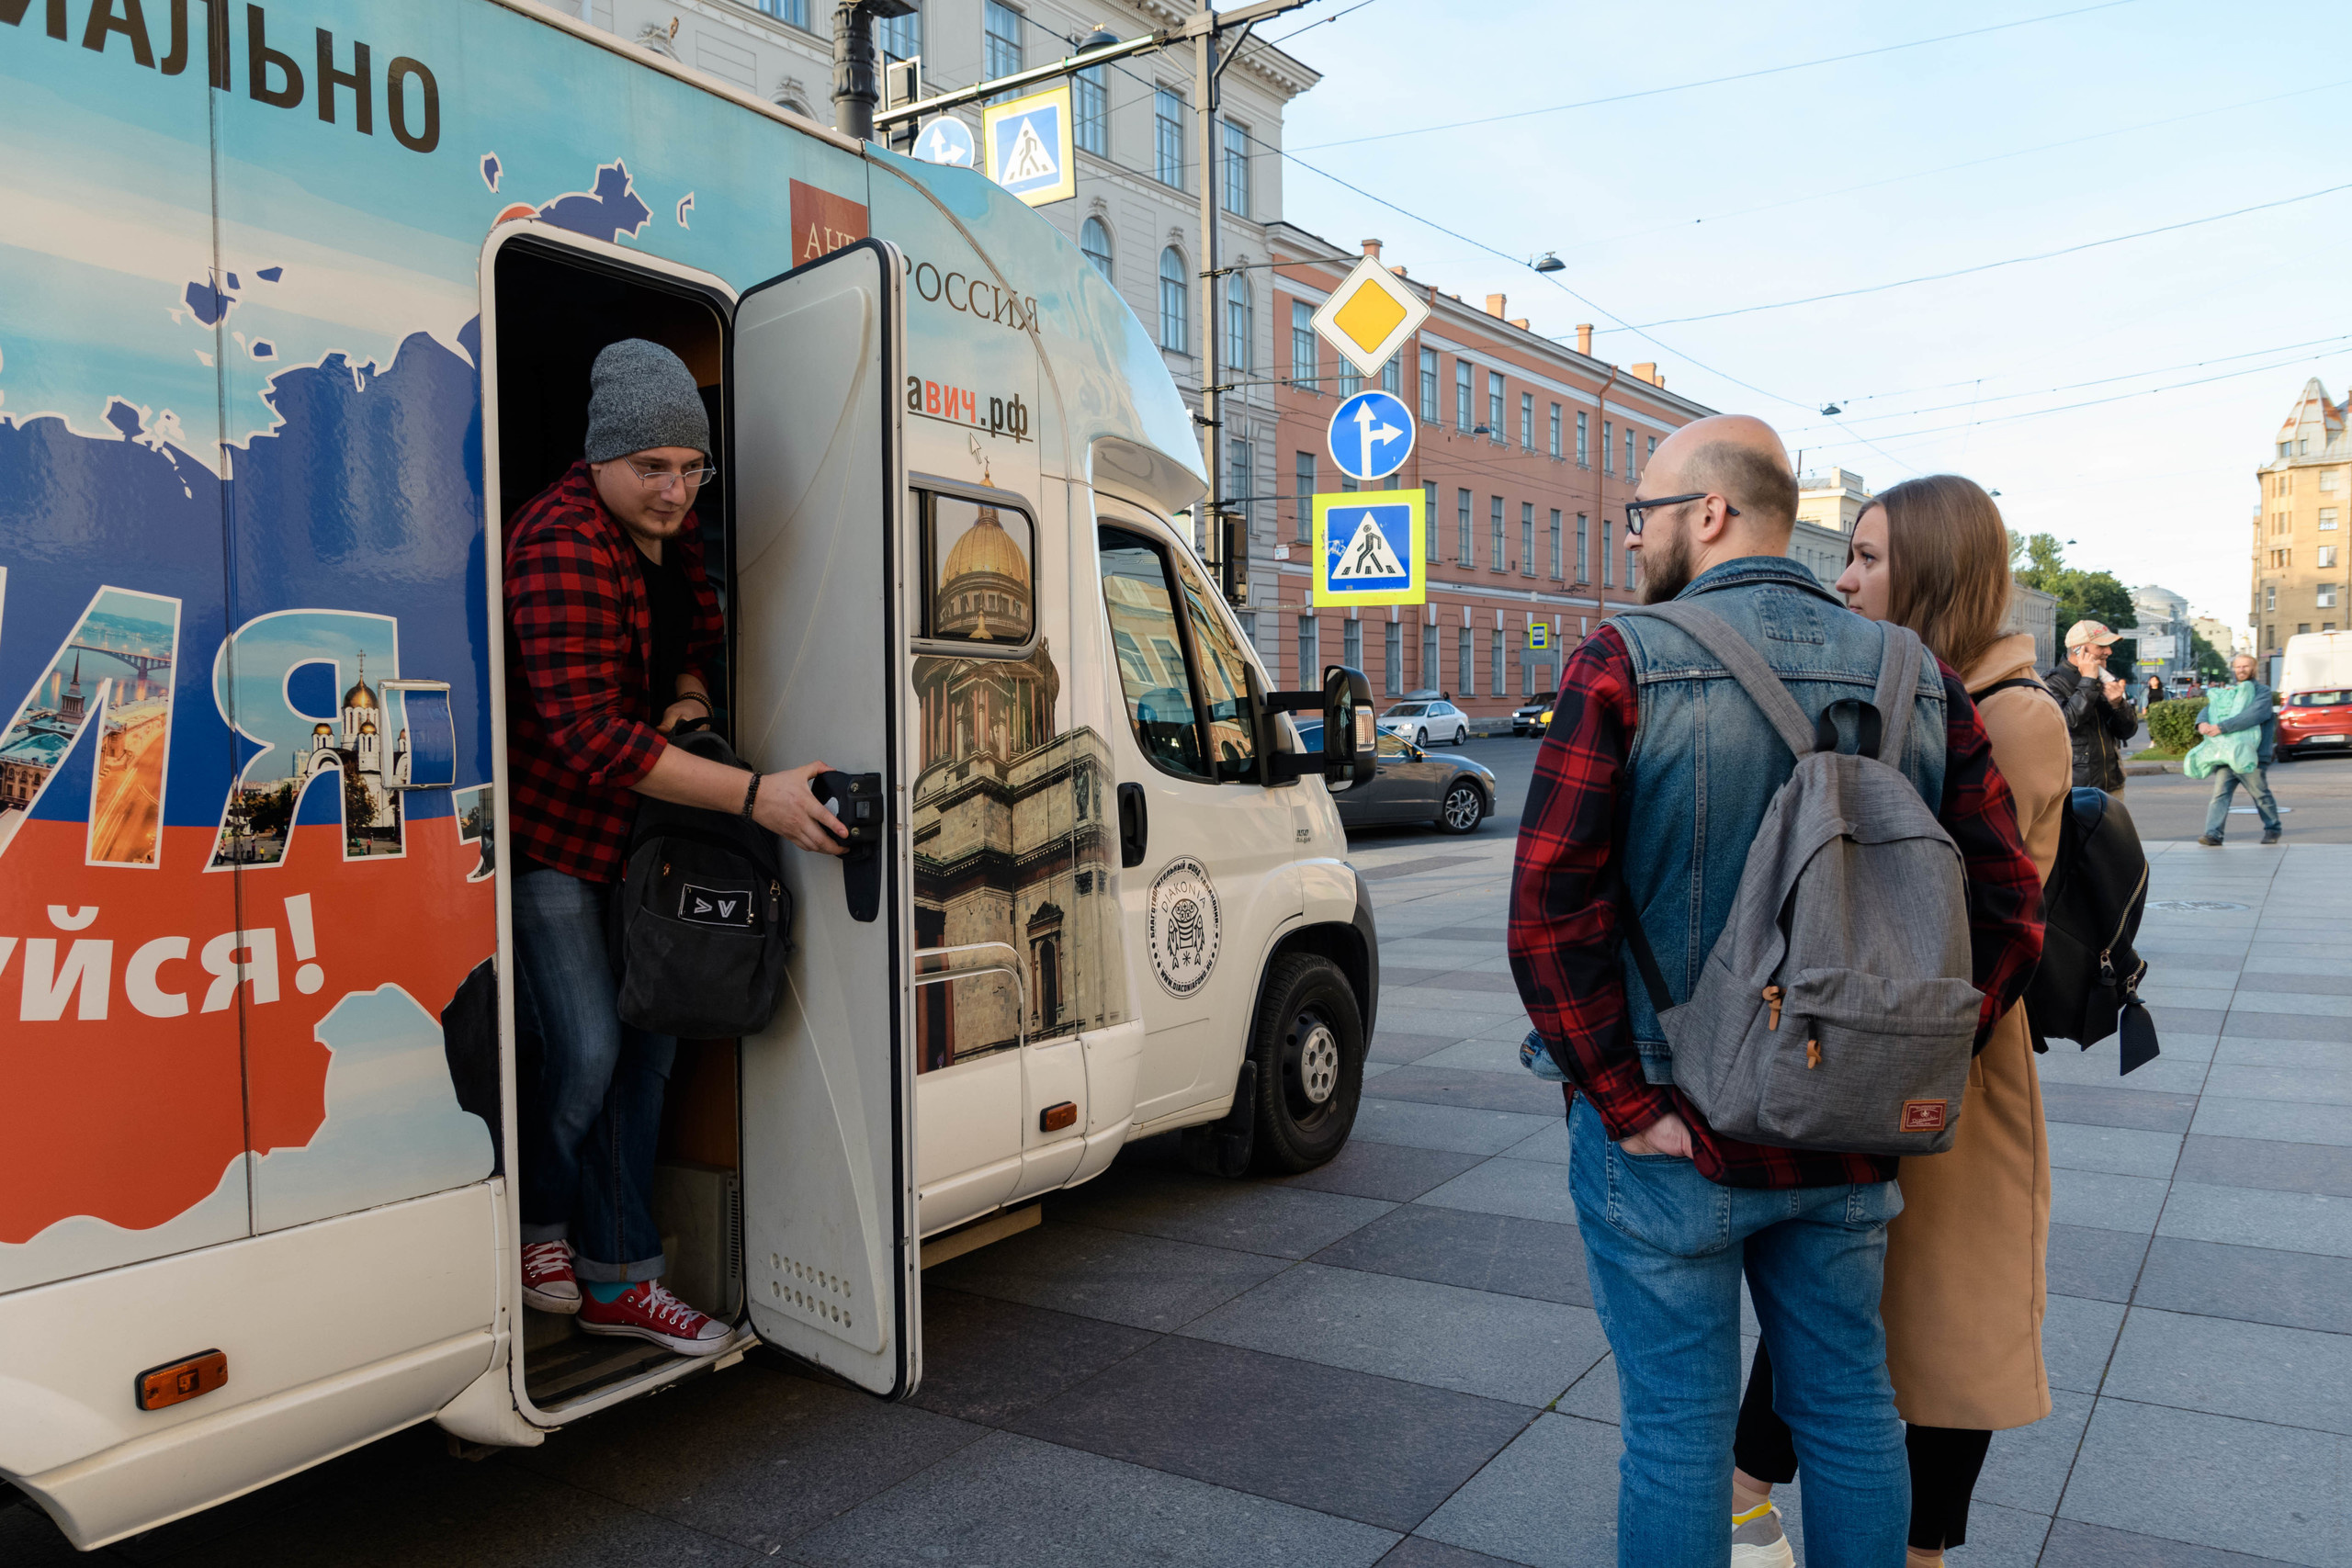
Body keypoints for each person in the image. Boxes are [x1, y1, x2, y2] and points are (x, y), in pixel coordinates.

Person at [1508, 417, 2043, 1568]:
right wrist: (1900, 1058)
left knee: (1678, 1439)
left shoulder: (1622, 658)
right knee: (1850, 1416)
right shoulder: (1916, 673)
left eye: (1640, 513)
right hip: (1845, 1134)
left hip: (1666, 1133)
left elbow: (1549, 912)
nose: (1632, 536)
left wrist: (1622, 1098)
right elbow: (2010, 912)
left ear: (1706, 515)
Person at [1729, 476, 2073, 1566]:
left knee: (1942, 1331)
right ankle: (1748, 1505)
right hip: (1864, 1045)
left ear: (1929, 570)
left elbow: (1955, 909)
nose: (1844, 577)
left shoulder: (2011, 715)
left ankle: (1915, 1553)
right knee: (1834, 1302)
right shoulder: (1915, 690)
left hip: (1944, 1059)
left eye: (1869, 559)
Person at [505, 338, 848, 1355]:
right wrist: (756, 798)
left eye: (690, 468)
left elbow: (694, 638)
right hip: (557, 842)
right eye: (650, 467)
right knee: (584, 1056)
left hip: (643, 843)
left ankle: (622, 1279)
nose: (673, 489)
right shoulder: (558, 541)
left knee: (647, 1059)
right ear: (601, 457)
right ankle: (535, 1229)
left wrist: (692, 694)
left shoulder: (672, 541)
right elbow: (588, 737)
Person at [2195, 653, 2281, 846]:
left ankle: (2273, 828)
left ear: (2254, 669)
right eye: (2237, 666)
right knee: (2220, 794)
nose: (2241, 670)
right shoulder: (2231, 691)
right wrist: (2201, 722)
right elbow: (2211, 708)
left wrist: (2221, 727)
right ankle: (2213, 834)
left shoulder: (2263, 692)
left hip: (2253, 755)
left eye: (2246, 666)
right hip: (2227, 754)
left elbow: (2252, 716)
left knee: (2259, 793)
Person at [2044, 621, 2138, 791]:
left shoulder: (2103, 679)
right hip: (2076, 789)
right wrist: (2088, 681)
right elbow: (2067, 724)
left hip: (2112, 785)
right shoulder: (2052, 683)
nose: (2109, 651)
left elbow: (2127, 732)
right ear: (2079, 649)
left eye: (2108, 646)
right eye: (2101, 646)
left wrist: (2118, 704)